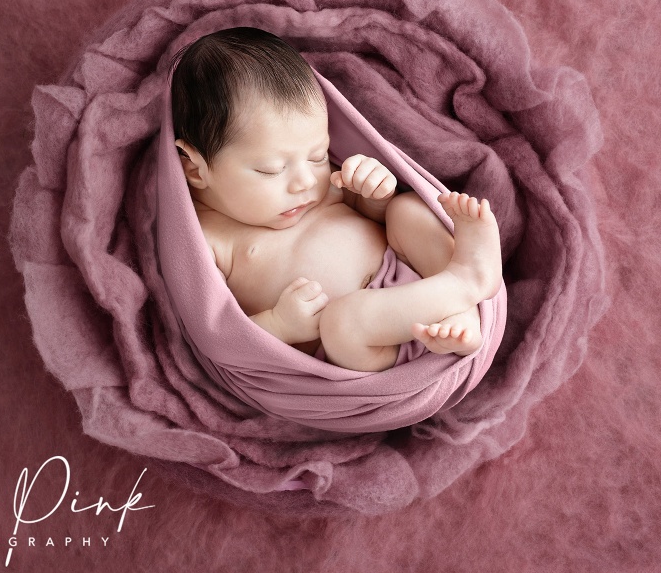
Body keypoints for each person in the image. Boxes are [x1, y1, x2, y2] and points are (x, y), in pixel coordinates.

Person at [170, 27, 502, 373]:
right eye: (271, 170)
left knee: (405, 210)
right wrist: (278, 324)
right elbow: (216, 336)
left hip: (415, 283)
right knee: (341, 321)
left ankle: (461, 312)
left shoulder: (322, 180)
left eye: (317, 156)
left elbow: (371, 216)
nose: (304, 182)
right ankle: (467, 279)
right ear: (196, 169)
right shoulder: (206, 238)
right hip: (365, 345)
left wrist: (373, 195)